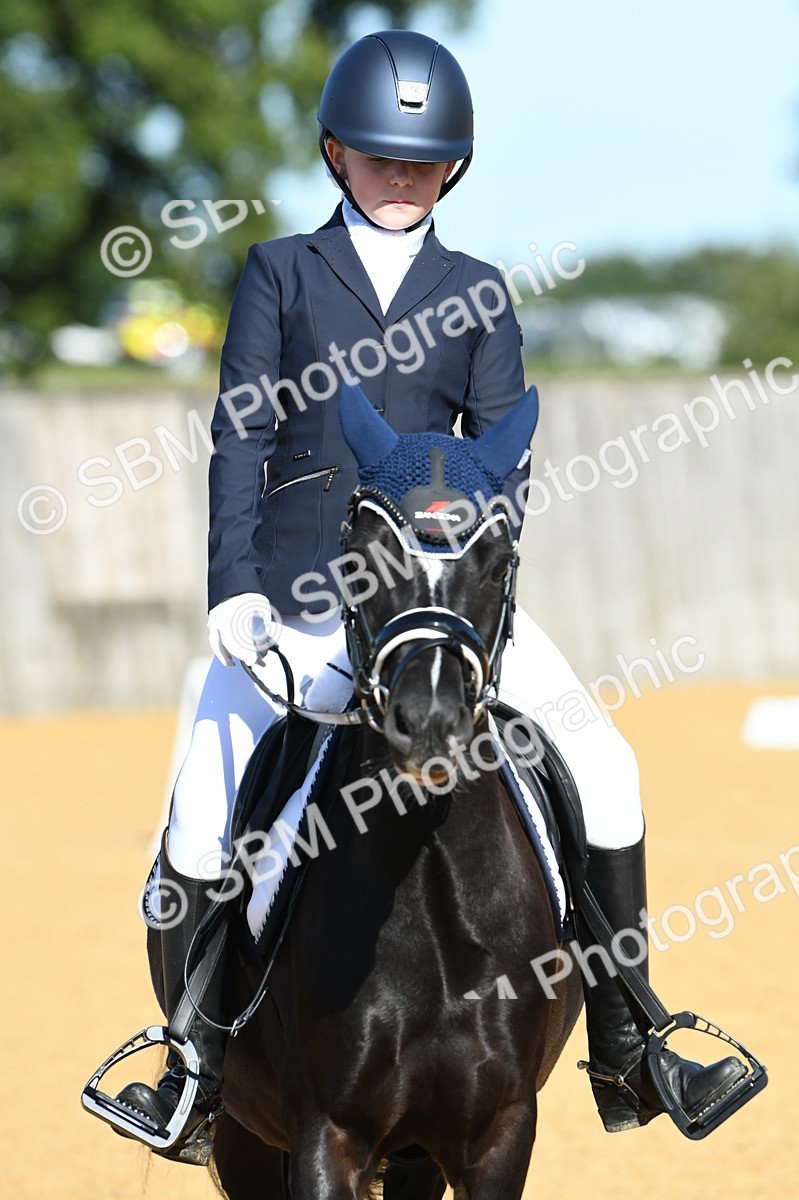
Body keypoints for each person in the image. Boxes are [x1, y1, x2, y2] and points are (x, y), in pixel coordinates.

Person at [107, 29, 746, 1159]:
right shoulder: (282, 275)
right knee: (203, 813)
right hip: (301, 602)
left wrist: (469, 600)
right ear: (335, 155)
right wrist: (231, 589)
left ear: (451, 168)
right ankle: (194, 1066)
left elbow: (505, 461)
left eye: (421, 162)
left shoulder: (479, 293)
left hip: (440, 609)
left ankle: (630, 1038)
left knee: (606, 763)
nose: (400, 179)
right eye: (378, 159)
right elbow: (241, 432)